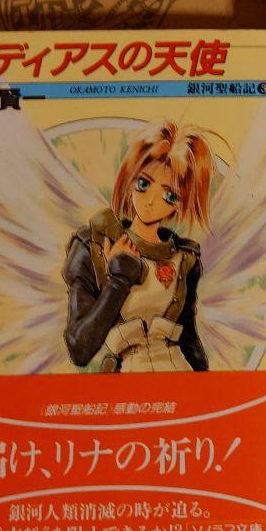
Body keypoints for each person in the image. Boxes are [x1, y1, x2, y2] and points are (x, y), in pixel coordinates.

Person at [61, 120, 216, 373]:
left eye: (169, 195)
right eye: (143, 184)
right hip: (127, 378)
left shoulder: (184, 258)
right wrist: (118, 280)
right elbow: (80, 349)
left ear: (181, 203)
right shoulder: (94, 246)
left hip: (179, 374)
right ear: (130, 178)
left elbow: (189, 339)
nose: (151, 201)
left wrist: (208, 385)